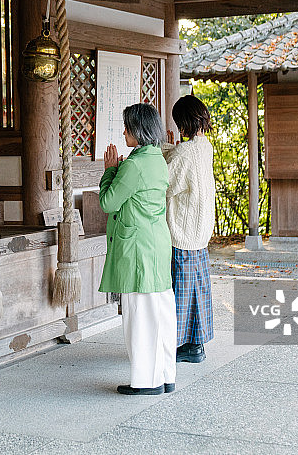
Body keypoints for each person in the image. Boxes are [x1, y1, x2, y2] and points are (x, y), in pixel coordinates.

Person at [98, 103, 176, 395]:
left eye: (127, 127)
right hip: (156, 243)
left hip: (137, 248)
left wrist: (109, 172)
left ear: (138, 130)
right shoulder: (157, 159)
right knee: (161, 314)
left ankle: (146, 381)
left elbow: (108, 203)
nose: (124, 132)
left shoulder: (133, 165)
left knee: (140, 317)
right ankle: (166, 376)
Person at [163, 95, 215, 363]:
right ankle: (196, 345)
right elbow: (181, 159)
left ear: (182, 123)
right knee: (197, 288)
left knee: (180, 292)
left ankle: (180, 344)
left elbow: (165, 183)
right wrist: (171, 147)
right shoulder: (205, 147)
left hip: (183, 231)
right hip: (200, 231)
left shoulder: (183, 153)